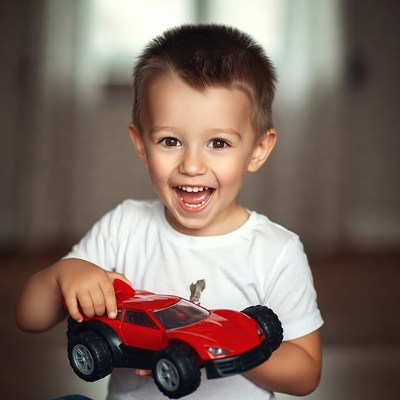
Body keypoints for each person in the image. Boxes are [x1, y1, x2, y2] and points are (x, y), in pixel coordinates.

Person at [16, 24, 323, 400]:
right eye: (170, 141)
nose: (192, 165)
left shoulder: (277, 251)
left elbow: (306, 374)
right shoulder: (124, 226)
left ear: (258, 150)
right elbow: (28, 317)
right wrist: (63, 275)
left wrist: (229, 348)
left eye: (218, 143)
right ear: (141, 144)